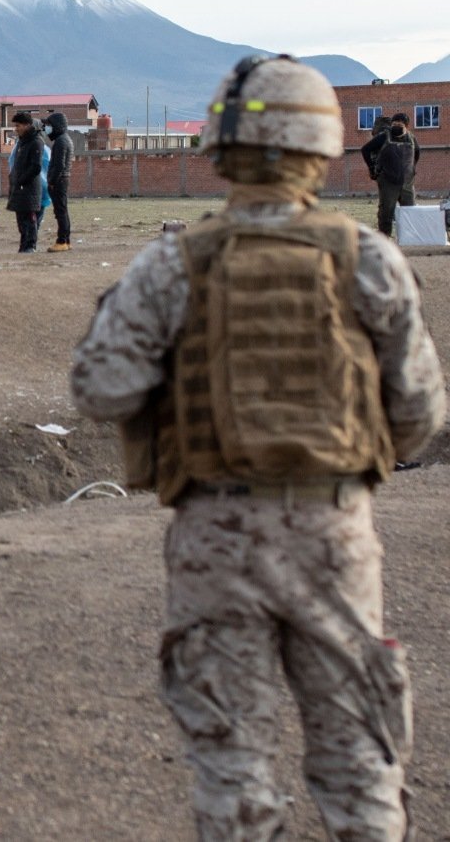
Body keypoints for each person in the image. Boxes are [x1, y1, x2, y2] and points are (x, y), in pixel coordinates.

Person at [70, 54, 444, 841]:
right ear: (324, 148)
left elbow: (102, 390)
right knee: (360, 767)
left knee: (232, 767)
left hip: (214, 536)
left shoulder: (173, 264)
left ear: (221, 149)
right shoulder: (369, 259)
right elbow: (417, 419)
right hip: (334, 533)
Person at [360, 112, 421, 237]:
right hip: (388, 182)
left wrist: (412, 169)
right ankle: (384, 238)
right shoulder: (383, 136)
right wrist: (372, 168)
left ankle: (409, 239)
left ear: (407, 126)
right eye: (394, 123)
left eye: (400, 123)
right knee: (386, 212)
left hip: (407, 184)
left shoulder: (412, 138)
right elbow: (365, 149)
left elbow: (417, 153)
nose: (396, 125)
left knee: (409, 212)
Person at [7, 111, 45, 252]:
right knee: (21, 221)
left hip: (29, 189)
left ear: (27, 125)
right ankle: (23, 246)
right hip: (19, 188)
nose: (16, 129)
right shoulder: (22, 143)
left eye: (18, 126)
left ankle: (30, 246)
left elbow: (36, 167)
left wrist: (22, 181)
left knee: (29, 219)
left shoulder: (36, 142)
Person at [45, 112, 73, 251]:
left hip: (59, 180)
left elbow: (59, 165)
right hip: (63, 179)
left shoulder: (61, 141)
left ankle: (62, 240)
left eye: (50, 125)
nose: (47, 129)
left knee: (60, 211)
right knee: (62, 210)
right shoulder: (65, 139)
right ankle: (66, 240)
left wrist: (51, 181)